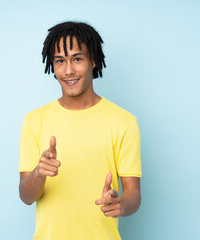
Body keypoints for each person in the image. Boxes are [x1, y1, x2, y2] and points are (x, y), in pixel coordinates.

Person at [18, 21, 142, 240]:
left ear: (93, 60)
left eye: (77, 59)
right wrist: (39, 172)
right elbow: (26, 197)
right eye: (60, 61)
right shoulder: (34, 120)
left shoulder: (124, 122)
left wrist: (121, 204)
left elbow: (133, 194)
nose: (68, 70)